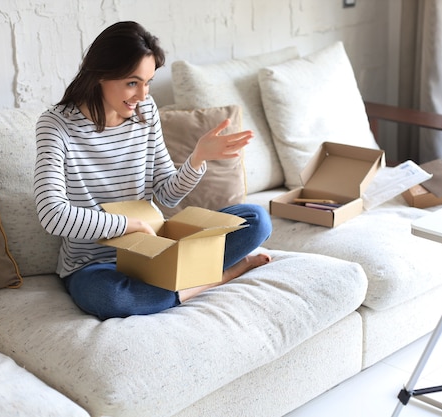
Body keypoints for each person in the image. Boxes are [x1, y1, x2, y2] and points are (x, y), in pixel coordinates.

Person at [34, 21, 272, 319]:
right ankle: (213, 277)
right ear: (100, 75)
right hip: (94, 262)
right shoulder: (56, 125)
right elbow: (52, 215)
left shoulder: (145, 112)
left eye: (147, 82)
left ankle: (177, 283)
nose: (143, 95)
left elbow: (166, 195)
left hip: (155, 251)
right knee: (111, 299)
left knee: (257, 220)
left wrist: (197, 158)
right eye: (133, 83)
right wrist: (127, 225)